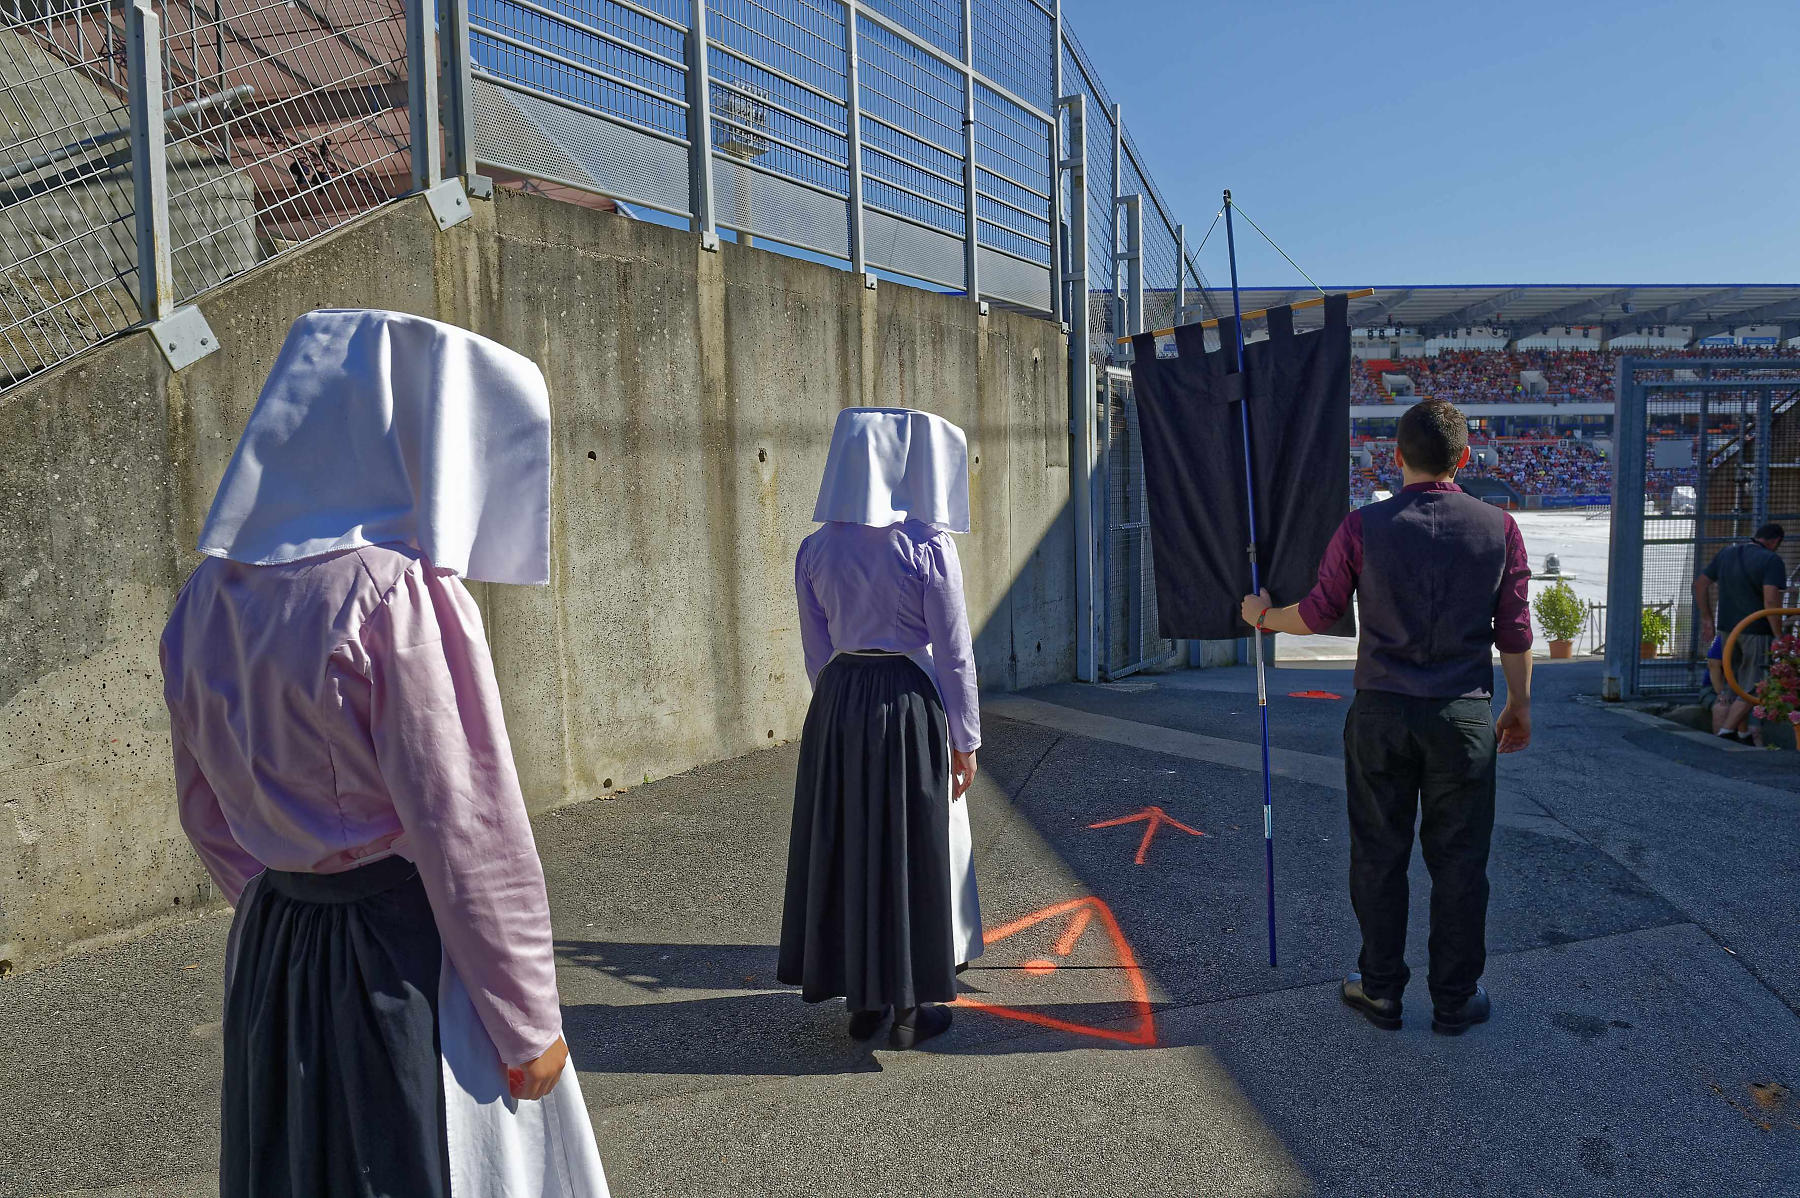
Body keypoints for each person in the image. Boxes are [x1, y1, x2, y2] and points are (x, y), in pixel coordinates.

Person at [160, 310, 610, 1196]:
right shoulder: (394, 593)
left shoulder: (206, 594)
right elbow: (467, 827)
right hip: (395, 951)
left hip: (277, 943)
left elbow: (204, 808)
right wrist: (527, 1021)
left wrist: (285, 893)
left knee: (299, 1162)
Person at [1242, 399, 1532, 1036]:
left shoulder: (1360, 527)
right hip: (1463, 714)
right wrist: (1519, 705)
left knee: (1378, 854)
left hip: (1381, 711)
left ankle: (1381, 990)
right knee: (1460, 861)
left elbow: (1317, 616)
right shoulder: (1500, 528)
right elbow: (1514, 631)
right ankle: (1455, 998)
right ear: (1463, 459)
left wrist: (1261, 615)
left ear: (1394, 456)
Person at [778, 406, 983, 1050]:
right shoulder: (925, 546)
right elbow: (953, 652)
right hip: (907, 697)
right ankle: (914, 1003)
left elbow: (816, 651)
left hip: (840, 700)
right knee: (915, 842)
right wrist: (966, 736)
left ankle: (862, 1001)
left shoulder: (815, 549)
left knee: (851, 840)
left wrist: (839, 711)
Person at [1695, 523, 1786, 746]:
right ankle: (1727, 732)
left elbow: (1700, 584)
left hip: (1727, 630)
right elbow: (1771, 600)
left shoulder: (1727, 553)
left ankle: (1743, 734)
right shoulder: (1771, 561)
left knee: (1734, 683)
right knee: (1756, 683)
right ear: (1775, 542)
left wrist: (1707, 618)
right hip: (1757, 630)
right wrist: (1778, 636)